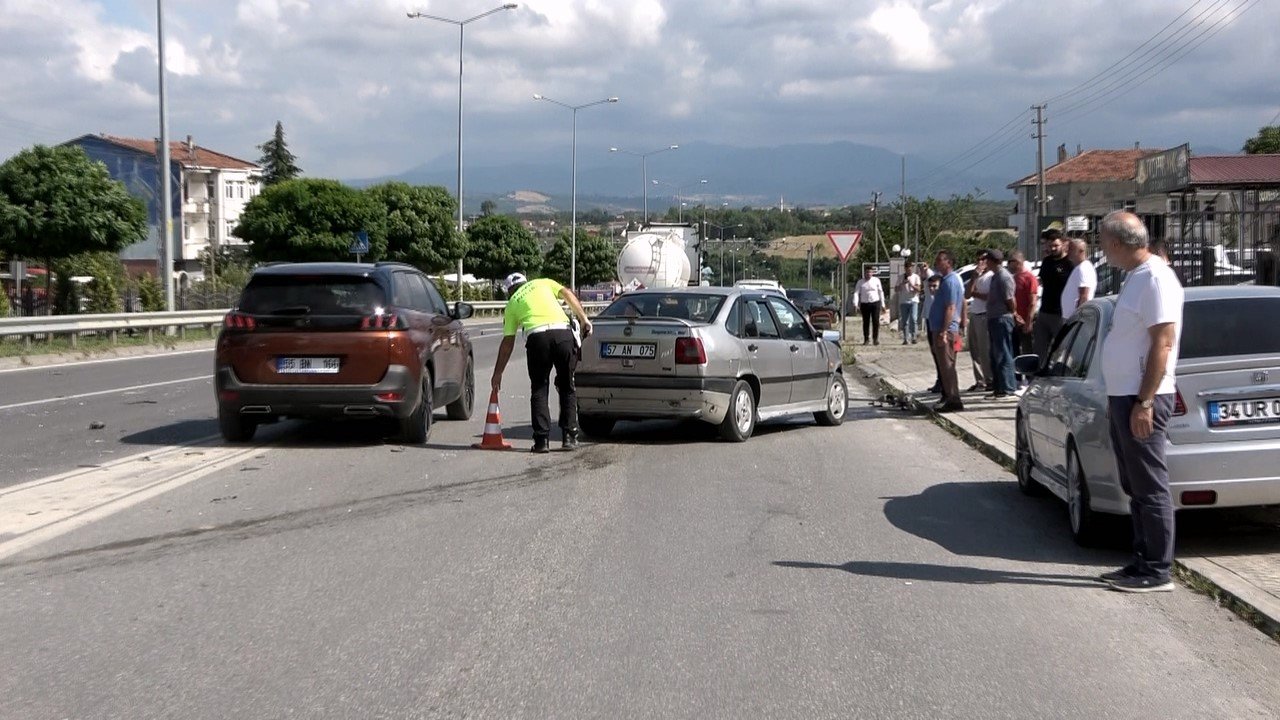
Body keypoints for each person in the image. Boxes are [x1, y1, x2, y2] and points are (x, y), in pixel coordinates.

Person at [1097, 211, 1184, 593]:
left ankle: (1158, 569)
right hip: (1125, 395)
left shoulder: (1155, 279)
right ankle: (1141, 560)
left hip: (1143, 396)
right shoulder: (1136, 277)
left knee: (1150, 485)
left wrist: (1144, 402)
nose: (1102, 248)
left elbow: (1162, 343)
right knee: (1135, 484)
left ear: (1117, 243)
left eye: (1103, 241)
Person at [491, 272, 594, 454]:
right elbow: (567, 293)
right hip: (563, 334)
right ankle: (569, 437)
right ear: (526, 282)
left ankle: (541, 441)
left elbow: (508, 343)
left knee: (539, 388)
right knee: (567, 386)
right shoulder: (543, 282)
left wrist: (498, 373)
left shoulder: (512, 303)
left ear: (510, 291)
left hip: (537, 338)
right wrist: (584, 319)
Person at [927, 250, 965, 412]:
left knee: (947, 366)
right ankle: (950, 397)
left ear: (948, 262)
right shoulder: (946, 280)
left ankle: (953, 399)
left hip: (947, 331)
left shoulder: (951, 282)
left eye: (939, 260)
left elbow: (951, 307)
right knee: (944, 366)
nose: (936, 263)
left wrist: (943, 332)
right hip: (943, 329)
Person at [984, 249, 1018, 400]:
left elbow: (1010, 299)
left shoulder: (1004, 277)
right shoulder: (995, 276)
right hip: (993, 318)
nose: (986, 262)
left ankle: (1008, 388)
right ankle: (998, 388)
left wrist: (1012, 313)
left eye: (988, 260)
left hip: (1002, 318)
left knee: (1003, 353)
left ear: (994, 261)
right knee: (995, 354)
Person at [1034, 228, 1073, 360]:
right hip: (1044, 312)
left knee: (1061, 351)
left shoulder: (1069, 264)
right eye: (1050, 246)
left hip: (1060, 315)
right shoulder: (1047, 262)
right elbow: (1042, 282)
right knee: (1039, 351)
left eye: (1056, 245)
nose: (1053, 249)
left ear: (1063, 244)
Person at [965, 252, 994, 392]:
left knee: (984, 350)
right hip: (974, 313)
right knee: (974, 349)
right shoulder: (977, 276)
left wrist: (975, 293)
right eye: (978, 259)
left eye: (983, 259)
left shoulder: (991, 276)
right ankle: (980, 380)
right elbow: (967, 294)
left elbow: (989, 296)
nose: (980, 261)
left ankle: (990, 379)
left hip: (985, 314)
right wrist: (974, 277)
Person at [1061, 238, 1097, 318]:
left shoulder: (1083, 268)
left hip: (1075, 318)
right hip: (1070, 317)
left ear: (1081, 251)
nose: (1068, 251)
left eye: (1071, 249)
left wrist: (1078, 318)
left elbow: (1084, 296)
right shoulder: (1080, 267)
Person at [853, 266, 885, 345]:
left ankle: (875, 339)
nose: (868, 274)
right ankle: (866, 339)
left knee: (876, 321)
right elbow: (856, 293)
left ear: (872, 273)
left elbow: (880, 292)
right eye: (867, 272)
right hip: (865, 304)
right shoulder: (860, 282)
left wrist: (883, 304)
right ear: (864, 273)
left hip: (875, 303)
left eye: (870, 272)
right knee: (866, 322)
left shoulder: (876, 280)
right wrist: (855, 304)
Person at [923, 274, 943, 392]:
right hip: (931, 324)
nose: (932, 288)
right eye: (930, 286)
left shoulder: (942, 299)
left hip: (940, 329)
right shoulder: (931, 298)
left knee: (941, 357)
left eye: (934, 286)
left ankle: (944, 383)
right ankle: (939, 380)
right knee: (935, 354)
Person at [895, 265, 921, 344]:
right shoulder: (900, 277)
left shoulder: (916, 277)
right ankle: (906, 338)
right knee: (905, 321)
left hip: (913, 300)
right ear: (905, 269)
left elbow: (919, 289)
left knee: (913, 319)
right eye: (907, 270)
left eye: (910, 269)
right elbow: (896, 289)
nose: (908, 271)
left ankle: (914, 337)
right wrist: (902, 283)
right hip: (903, 301)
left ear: (912, 269)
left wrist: (911, 284)